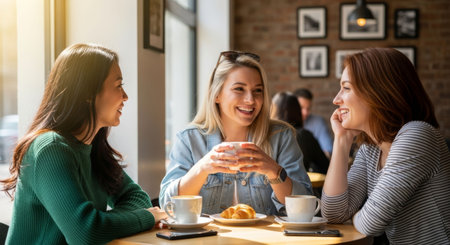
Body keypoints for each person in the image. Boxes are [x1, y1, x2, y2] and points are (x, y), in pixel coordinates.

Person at [0, 43, 167, 244]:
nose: (125, 96)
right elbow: (86, 233)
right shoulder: (50, 149)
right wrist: (146, 217)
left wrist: (104, 222)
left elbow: (138, 198)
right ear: (88, 93)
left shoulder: (93, 148)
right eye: (118, 86)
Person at [321, 48, 450, 244]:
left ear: (377, 92)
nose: (336, 99)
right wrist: (342, 140)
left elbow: (369, 224)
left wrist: (359, 217)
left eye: (346, 88)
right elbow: (334, 214)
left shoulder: (417, 135)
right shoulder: (371, 149)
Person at [160, 51, 312, 215]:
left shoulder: (281, 137)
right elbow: (168, 206)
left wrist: (274, 171)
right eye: (239, 89)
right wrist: (202, 169)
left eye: (258, 91)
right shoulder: (189, 139)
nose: (251, 100)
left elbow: (306, 208)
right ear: (217, 94)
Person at [271, 91, 329, 174]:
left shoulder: (263, 134)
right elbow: (325, 167)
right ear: (297, 111)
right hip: (296, 185)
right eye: (301, 108)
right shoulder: (303, 136)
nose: (305, 112)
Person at [294, 88, 333, 158]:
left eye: (308, 108)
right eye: (301, 107)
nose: (305, 112)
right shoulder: (285, 124)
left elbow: (328, 151)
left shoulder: (318, 122)